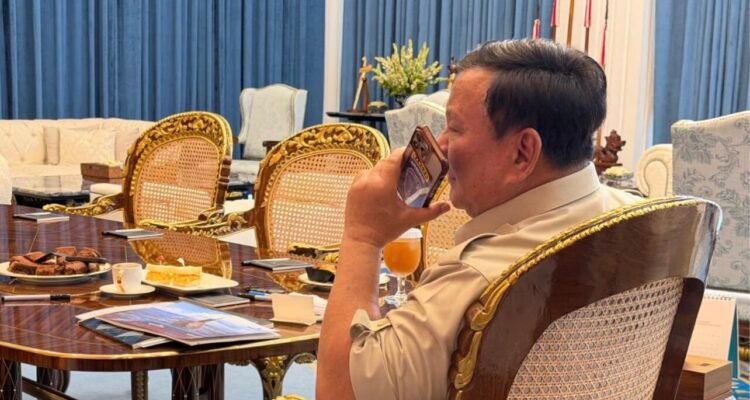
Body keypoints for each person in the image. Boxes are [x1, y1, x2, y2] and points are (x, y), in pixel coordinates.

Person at [317, 39, 641, 400]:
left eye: (454, 129)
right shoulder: (646, 220)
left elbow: (339, 392)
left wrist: (362, 237)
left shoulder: (480, 278)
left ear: (523, 153)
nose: (441, 146)